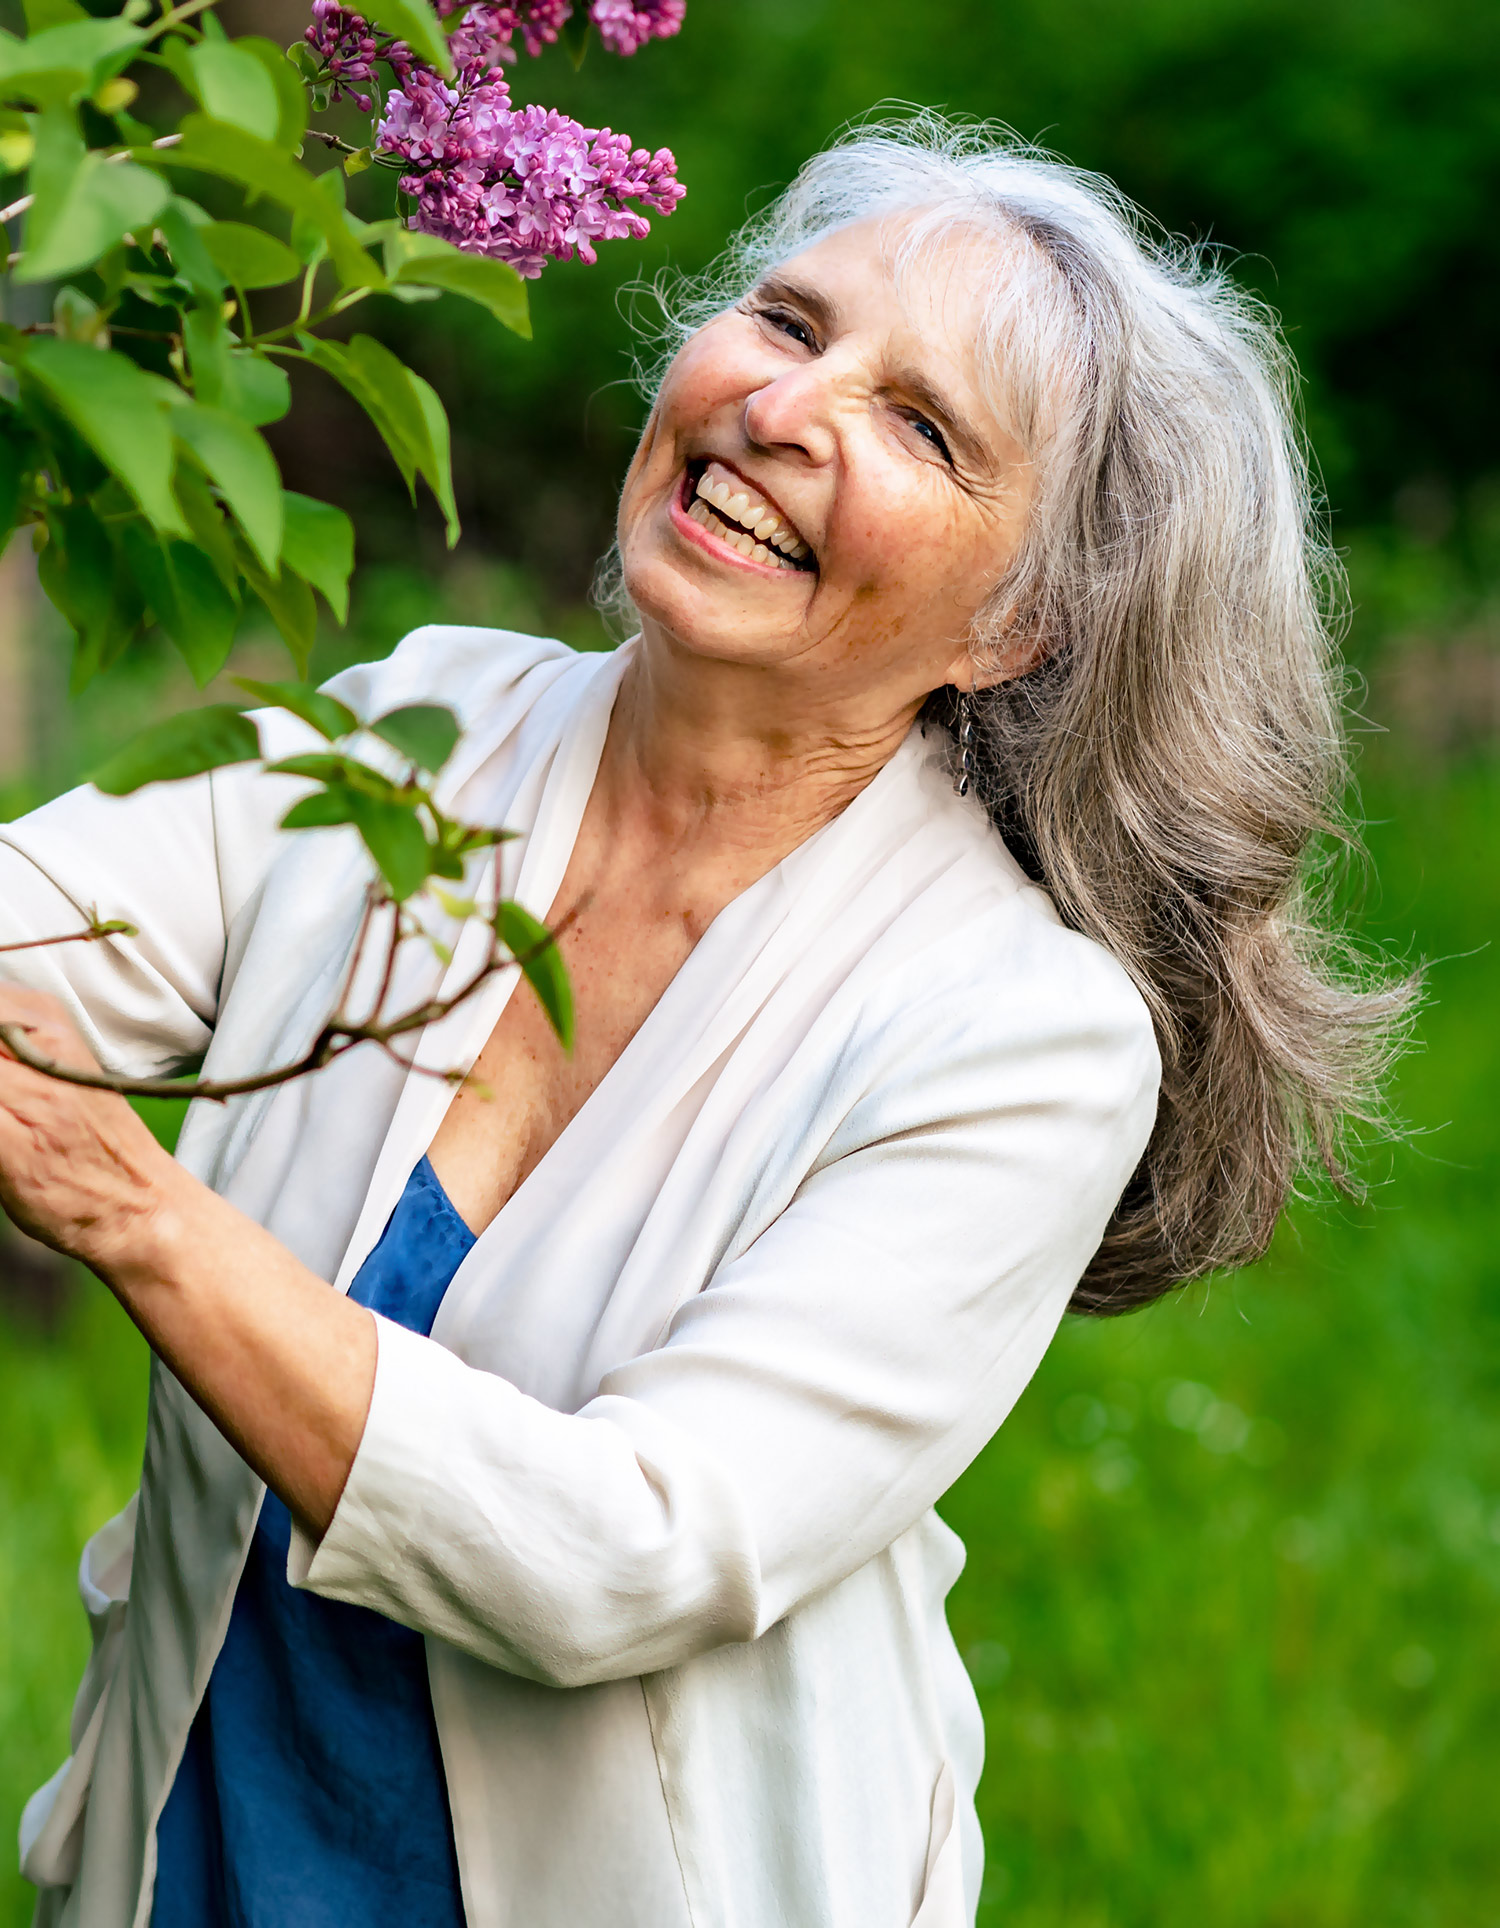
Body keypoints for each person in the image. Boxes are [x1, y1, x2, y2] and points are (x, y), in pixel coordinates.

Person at [0, 116, 1406, 1928]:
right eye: (789, 321)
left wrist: (129, 1202)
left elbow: (623, 1552)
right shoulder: (413, 738)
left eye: (921, 425)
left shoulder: (1019, 1033)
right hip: (193, 1866)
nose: (787, 407)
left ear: (1022, 627)